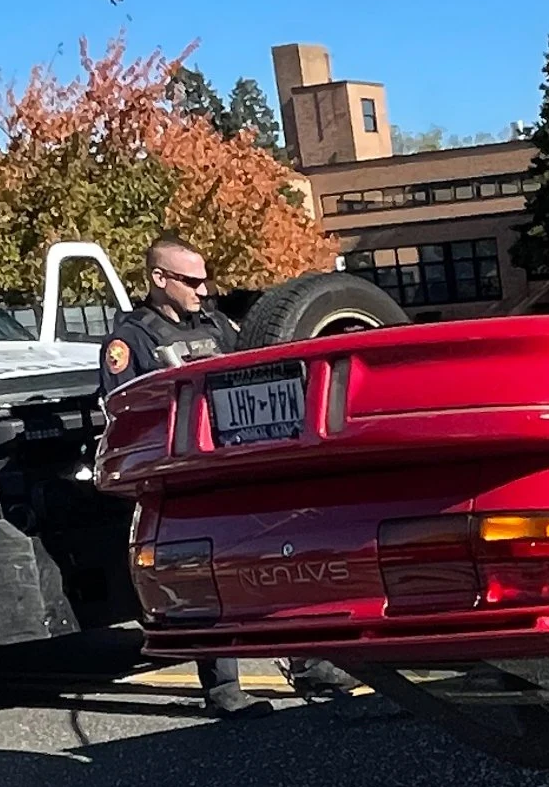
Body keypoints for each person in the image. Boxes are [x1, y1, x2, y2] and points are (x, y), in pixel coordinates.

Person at [99, 234, 358, 715]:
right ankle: (223, 688)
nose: (203, 290)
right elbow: (127, 412)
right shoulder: (130, 340)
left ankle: (308, 662)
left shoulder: (217, 325)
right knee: (203, 577)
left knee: (278, 559)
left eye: (205, 280)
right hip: (187, 476)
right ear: (159, 279)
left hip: (241, 463)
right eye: (191, 281)